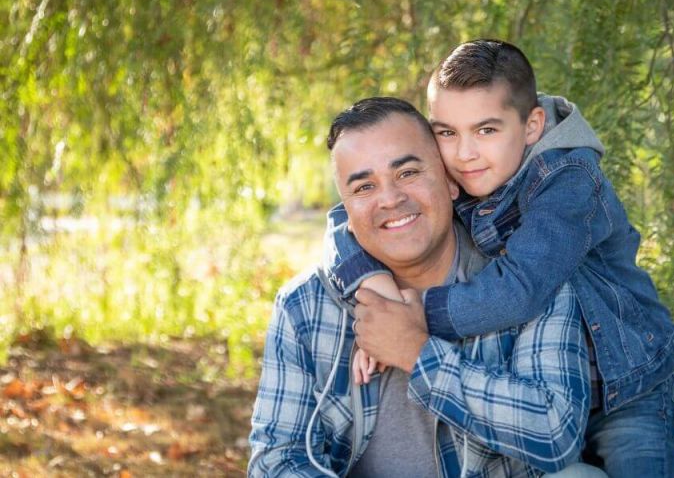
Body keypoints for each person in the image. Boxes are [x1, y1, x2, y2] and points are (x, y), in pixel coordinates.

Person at [323, 40, 674, 477]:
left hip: (628, 385)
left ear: (532, 126)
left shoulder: (568, 181)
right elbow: (349, 216)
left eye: (486, 130)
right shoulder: (471, 166)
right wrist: (372, 284)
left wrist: (414, 317)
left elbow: (519, 290)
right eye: (447, 132)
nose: (464, 153)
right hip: (549, 381)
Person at [249, 97, 607, 477]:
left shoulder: (525, 281)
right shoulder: (304, 305)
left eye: (407, 173)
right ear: (346, 211)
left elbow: (556, 436)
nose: (390, 199)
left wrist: (417, 354)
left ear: (451, 181)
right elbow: (276, 462)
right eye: (364, 187)